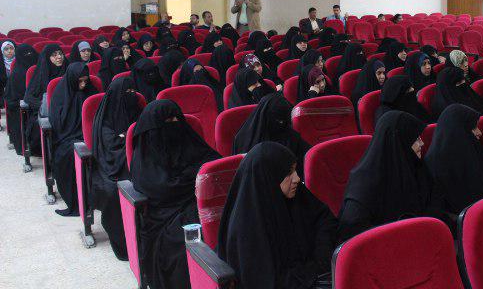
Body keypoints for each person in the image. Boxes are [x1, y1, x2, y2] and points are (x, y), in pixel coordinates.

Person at [216, 142, 337, 288]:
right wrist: (311, 273)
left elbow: (324, 218)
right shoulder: (246, 230)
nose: (297, 178)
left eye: (295, 170)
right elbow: (265, 281)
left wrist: (320, 257)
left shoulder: (296, 194)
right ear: (270, 178)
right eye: (289, 173)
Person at [130, 100, 219, 289]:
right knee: (183, 249)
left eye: (176, 119)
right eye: (167, 122)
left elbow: (214, 166)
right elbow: (162, 188)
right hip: (164, 217)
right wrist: (194, 178)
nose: (174, 124)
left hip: (199, 203)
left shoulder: (189, 142)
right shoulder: (145, 158)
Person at [337, 111, 435, 242]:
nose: (421, 143)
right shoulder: (363, 191)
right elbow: (354, 237)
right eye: (415, 139)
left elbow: (433, 206)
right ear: (399, 143)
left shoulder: (415, 167)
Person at [91, 77, 142, 260]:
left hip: (138, 161)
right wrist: (128, 139)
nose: (131, 96)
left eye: (133, 92)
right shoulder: (106, 119)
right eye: (127, 93)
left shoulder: (138, 110)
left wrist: (125, 137)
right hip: (112, 166)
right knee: (114, 191)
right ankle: (125, 244)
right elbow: (110, 148)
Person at [425, 104, 483, 214]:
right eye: (473, 128)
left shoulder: (472, 149)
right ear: (458, 130)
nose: (479, 132)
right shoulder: (436, 164)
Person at [50, 62, 99, 216]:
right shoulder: (61, 94)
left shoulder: (92, 91)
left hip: (91, 135)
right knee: (68, 155)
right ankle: (78, 202)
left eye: (85, 80)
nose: (83, 85)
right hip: (67, 137)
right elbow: (57, 124)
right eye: (80, 81)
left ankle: (98, 198)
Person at [232, 93, 310, 175]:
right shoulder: (243, 140)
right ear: (265, 116)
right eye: (278, 120)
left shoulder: (290, 135)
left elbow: (308, 159)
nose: (281, 123)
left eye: (284, 120)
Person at [24, 44, 68, 155]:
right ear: (47, 58)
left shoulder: (68, 70)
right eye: (54, 55)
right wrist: (46, 105)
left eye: (60, 54)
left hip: (68, 108)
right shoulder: (41, 74)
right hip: (46, 110)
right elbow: (29, 97)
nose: (59, 57)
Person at [4, 44, 37, 155]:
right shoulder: (16, 75)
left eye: (31, 53)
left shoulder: (38, 71)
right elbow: (11, 100)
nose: (29, 56)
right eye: (25, 54)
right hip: (20, 107)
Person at [0, 41, 15, 105]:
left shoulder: (19, 61)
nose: (9, 51)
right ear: (2, 51)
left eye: (11, 48)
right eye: (6, 49)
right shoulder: (1, 63)